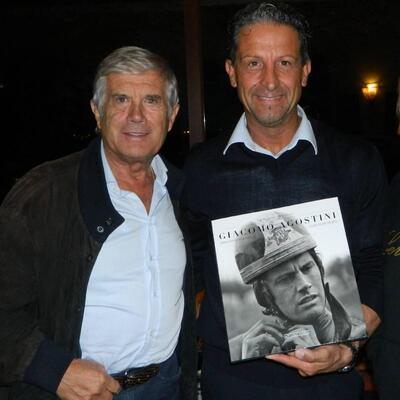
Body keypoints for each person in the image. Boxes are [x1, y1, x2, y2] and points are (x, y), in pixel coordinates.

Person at [183, 2, 386, 399]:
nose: (270, 81)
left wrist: (347, 348)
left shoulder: (356, 161)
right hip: (232, 385)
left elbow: (374, 267)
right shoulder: (200, 169)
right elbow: (189, 269)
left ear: (305, 71)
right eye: (253, 63)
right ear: (232, 72)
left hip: (333, 385)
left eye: (285, 63)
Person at [0, 46, 196, 400]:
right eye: (121, 99)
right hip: (77, 393)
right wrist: (53, 369)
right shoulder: (43, 194)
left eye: (151, 100)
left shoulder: (181, 192)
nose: (136, 115)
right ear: (97, 112)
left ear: (172, 115)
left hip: (166, 384)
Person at [229, 214, 365, 361]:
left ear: (320, 269)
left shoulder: (363, 334)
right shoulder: (238, 351)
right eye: (285, 278)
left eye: (307, 268)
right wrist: (250, 365)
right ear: (264, 294)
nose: (304, 284)